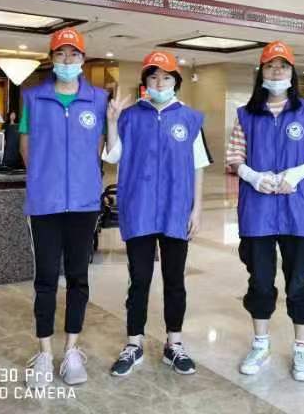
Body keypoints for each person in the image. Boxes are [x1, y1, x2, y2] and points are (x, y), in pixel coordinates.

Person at [226, 40, 304, 382]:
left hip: (298, 210)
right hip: (258, 211)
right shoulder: (246, 114)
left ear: (292, 72)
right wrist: (252, 176)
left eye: (282, 66)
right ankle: (261, 343)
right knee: (259, 280)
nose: (276, 71)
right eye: (270, 66)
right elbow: (234, 157)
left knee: (298, 281)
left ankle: (302, 348)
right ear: (261, 73)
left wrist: (296, 175)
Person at [103, 50, 211, 377]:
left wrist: (197, 209)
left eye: (165, 77)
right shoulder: (130, 116)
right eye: (153, 77)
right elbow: (113, 156)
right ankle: (133, 343)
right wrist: (112, 122)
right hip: (139, 209)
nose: (159, 83)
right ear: (145, 82)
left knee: (174, 280)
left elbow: (199, 166)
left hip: (176, 211)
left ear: (175, 82)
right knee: (139, 280)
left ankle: (174, 344)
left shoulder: (190, 118)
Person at [21, 28, 107, 388]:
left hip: (84, 204)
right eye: (60, 54)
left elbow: (100, 148)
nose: (67, 60)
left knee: (78, 277)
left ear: (83, 59)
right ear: (51, 58)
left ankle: (71, 350)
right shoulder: (32, 98)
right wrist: (44, 179)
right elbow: (26, 145)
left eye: (73, 54)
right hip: (45, 203)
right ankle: (44, 353)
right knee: (45, 278)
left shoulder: (99, 99)